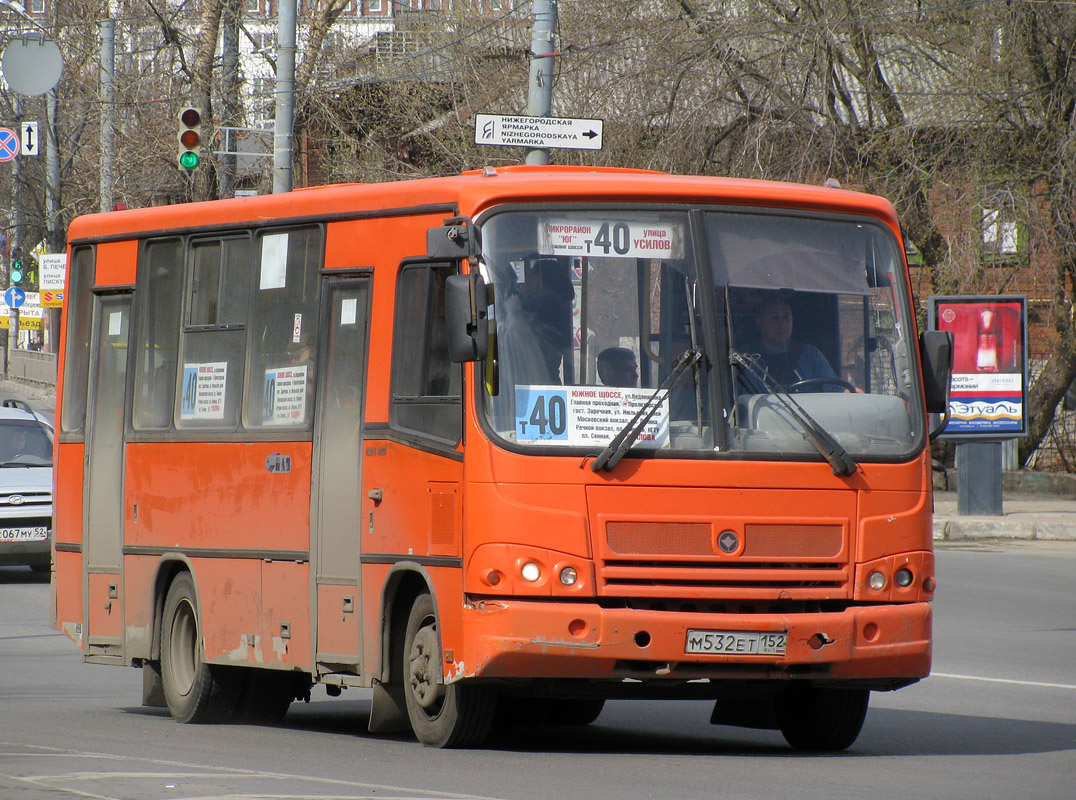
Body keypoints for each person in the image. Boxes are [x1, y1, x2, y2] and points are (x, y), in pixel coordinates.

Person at [736, 295, 840, 393]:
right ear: (759, 322)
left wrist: (849, 394)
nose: (782, 323)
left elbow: (835, 391)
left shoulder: (811, 355)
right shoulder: (744, 358)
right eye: (774, 318)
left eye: (786, 316)